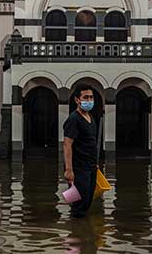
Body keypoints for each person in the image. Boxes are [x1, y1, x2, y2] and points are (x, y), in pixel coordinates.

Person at [63, 87, 98, 218]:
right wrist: (69, 169)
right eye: (86, 97)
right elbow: (67, 144)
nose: (89, 100)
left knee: (88, 200)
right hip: (78, 168)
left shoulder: (90, 118)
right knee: (79, 202)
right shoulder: (73, 119)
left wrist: (95, 163)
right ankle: (75, 231)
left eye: (91, 97)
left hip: (91, 166)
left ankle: (82, 233)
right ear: (77, 100)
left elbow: (90, 142)